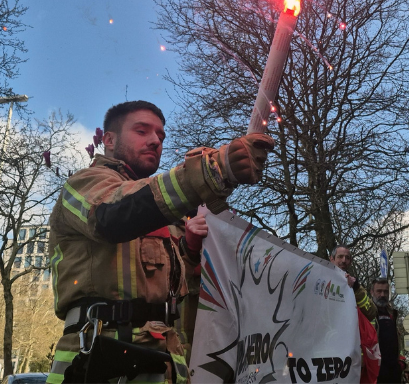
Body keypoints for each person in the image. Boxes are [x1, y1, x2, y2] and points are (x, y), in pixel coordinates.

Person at [46, 100, 273, 384]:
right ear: (109, 140)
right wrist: (215, 169)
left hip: (164, 363)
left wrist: (190, 249)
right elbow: (112, 216)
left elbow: (182, 290)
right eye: (142, 131)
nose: (155, 140)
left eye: (161, 136)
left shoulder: (162, 211)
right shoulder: (84, 184)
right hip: (97, 363)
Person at [331, 245, 378, 322]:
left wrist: (356, 288)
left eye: (347, 258)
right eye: (340, 256)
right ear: (332, 259)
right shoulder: (321, 280)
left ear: (350, 262)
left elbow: (372, 313)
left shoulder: (355, 286)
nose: (344, 260)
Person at [371, 278, 403, 383]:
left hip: (393, 368)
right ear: (372, 292)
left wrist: (401, 362)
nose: (382, 295)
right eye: (379, 291)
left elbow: (397, 339)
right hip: (376, 367)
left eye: (385, 291)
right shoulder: (367, 312)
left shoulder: (392, 313)